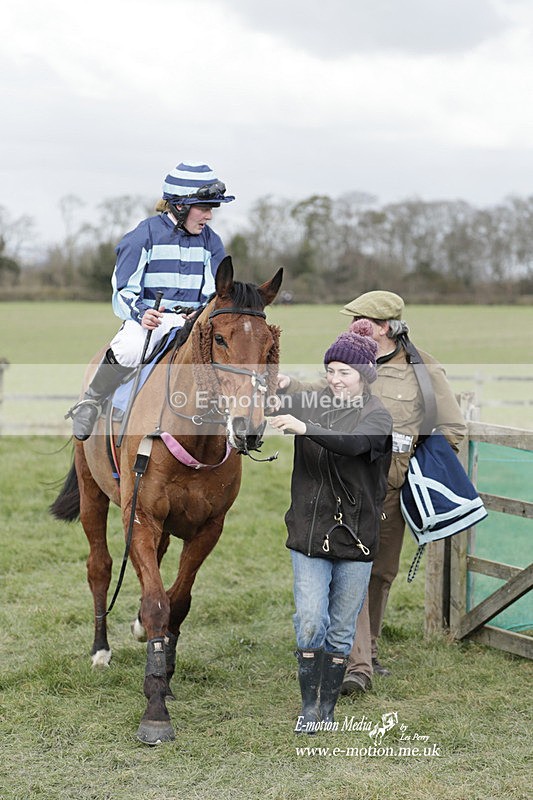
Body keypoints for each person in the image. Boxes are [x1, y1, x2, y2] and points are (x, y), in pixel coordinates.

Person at [278, 291, 467, 695]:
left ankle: (367, 649)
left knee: (379, 576)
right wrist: (286, 385)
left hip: (388, 491)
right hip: (339, 490)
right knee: (348, 574)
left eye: (358, 319)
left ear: (384, 326)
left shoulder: (424, 371)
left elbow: (452, 429)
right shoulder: (349, 364)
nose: (350, 325)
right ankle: (353, 664)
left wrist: (413, 472)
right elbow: (321, 389)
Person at [269, 321, 392, 733]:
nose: (336, 379)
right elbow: (267, 403)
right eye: (332, 370)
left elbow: (351, 444)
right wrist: (274, 386)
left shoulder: (377, 417)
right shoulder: (312, 400)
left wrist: (305, 428)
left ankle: (328, 708)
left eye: (346, 372)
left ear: (365, 377)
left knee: (340, 630)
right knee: (309, 621)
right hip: (308, 533)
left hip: (357, 538)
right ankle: (310, 707)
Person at [68, 161, 235, 441]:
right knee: (128, 348)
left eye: (212, 209)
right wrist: (142, 313)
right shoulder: (142, 236)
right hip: (151, 320)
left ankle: (233, 423)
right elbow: (122, 290)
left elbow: (216, 291)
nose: (209, 216)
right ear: (180, 206)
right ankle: (91, 402)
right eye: (204, 208)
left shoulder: (211, 242)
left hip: (194, 321)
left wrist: (202, 314)